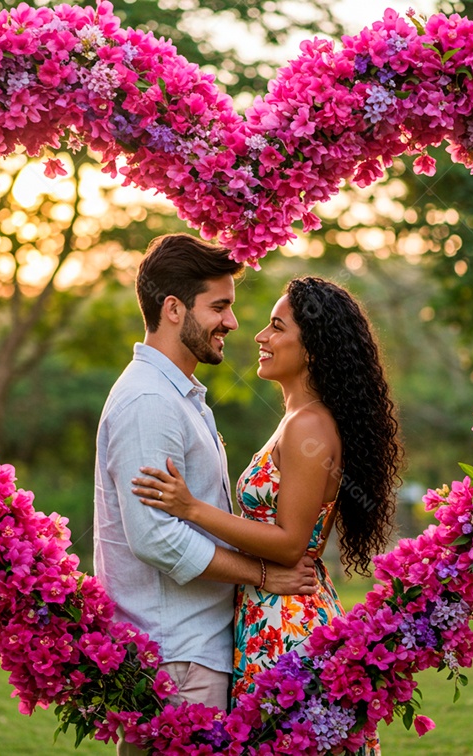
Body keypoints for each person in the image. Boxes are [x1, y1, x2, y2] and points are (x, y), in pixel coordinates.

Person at [134, 276, 402, 752]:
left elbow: (292, 543)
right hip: (270, 610)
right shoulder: (296, 421)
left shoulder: (309, 426)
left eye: (277, 327)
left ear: (314, 348)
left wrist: (190, 508)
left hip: (290, 621)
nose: (259, 336)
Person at [93, 235, 319, 755]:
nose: (233, 323)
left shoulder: (181, 395)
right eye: (219, 307)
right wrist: (263, 575)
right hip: (176, 656)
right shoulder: (150, 401)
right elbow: (155, 540)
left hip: (194, 651)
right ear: (173, 309)